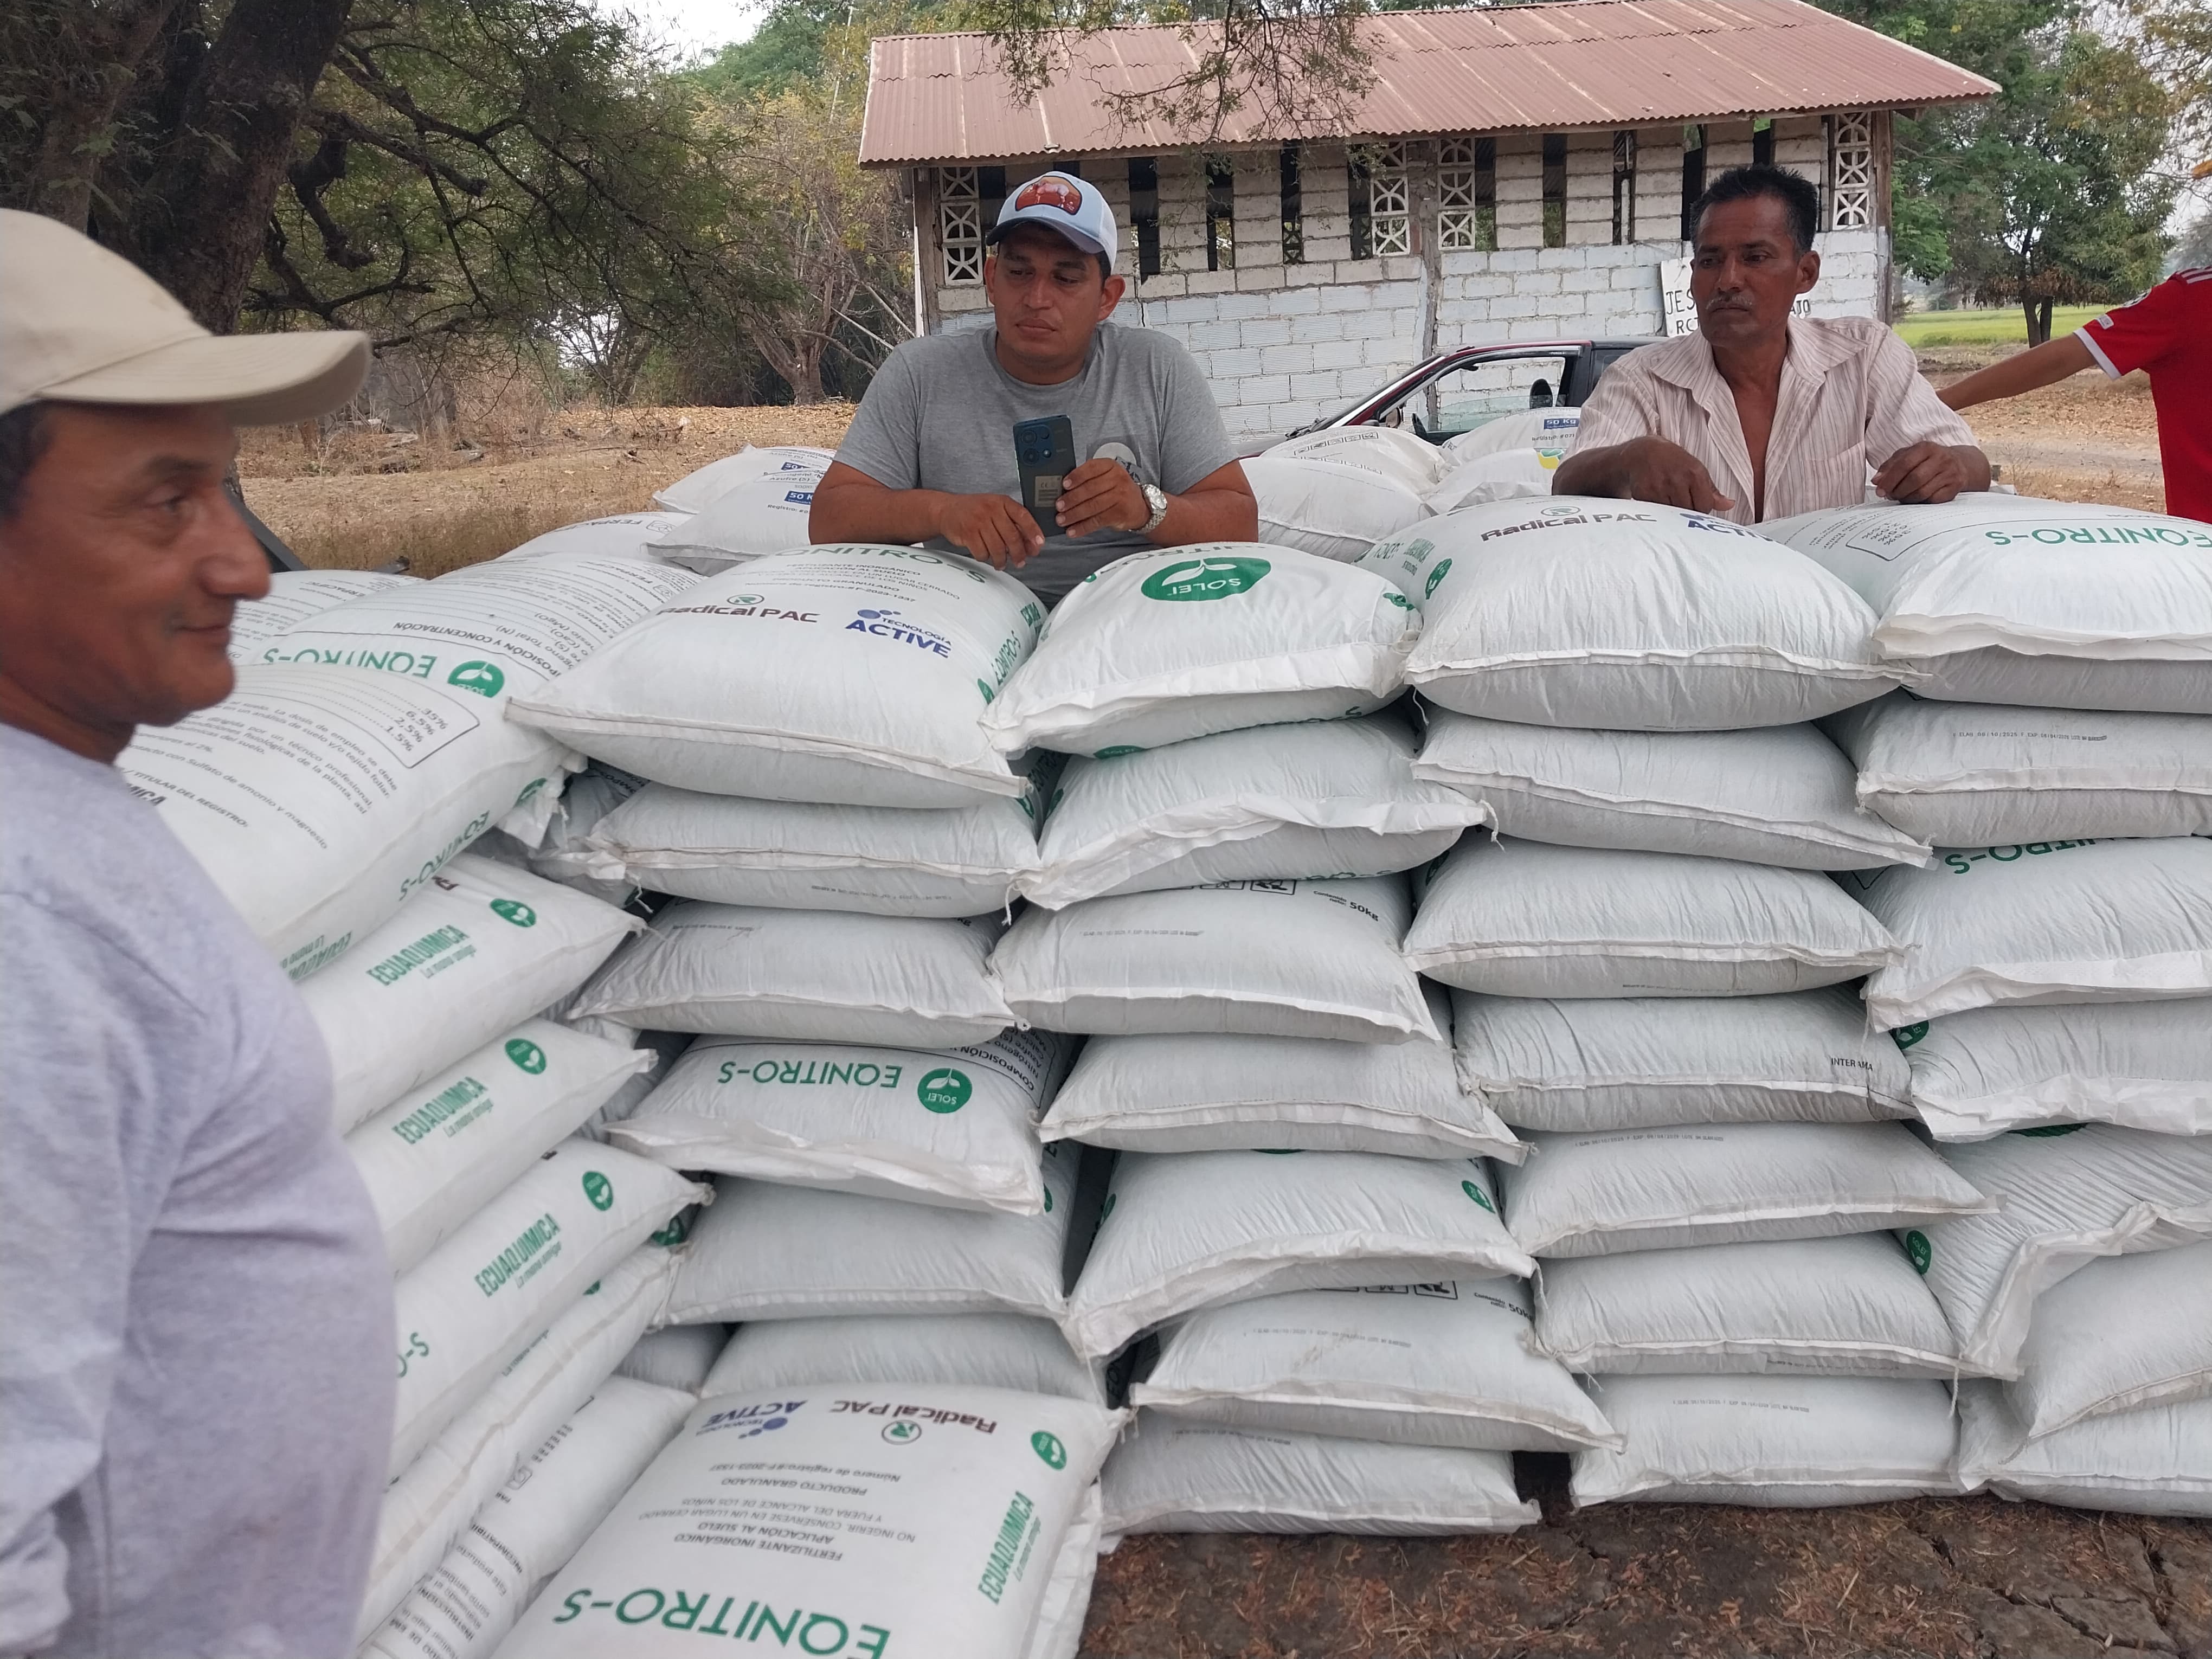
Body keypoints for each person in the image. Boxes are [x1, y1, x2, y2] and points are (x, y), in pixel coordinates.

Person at [0, 210, 394, 1658]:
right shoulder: (20, 922)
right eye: (167, 503)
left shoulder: (55, 816)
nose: (247, 567)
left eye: (227, 490)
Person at [809, 171, 1258, 602]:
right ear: (991, 279)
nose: (1037, 299)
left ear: (1107, 298)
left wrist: (1144, 509)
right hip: (974, 617)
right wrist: (942, 512)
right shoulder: (920, 374)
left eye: (1066, 278)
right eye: (1019, 273)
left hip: (1124, 611)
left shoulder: (1157, 368)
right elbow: (830, 518)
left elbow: (1240, 521)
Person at [1554, 164, 1990, 522]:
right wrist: (1629, 459)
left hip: (1829, 593)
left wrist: (1947, 467)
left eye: (1755, 258)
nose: (1727, 280)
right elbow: (1567, 482)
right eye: (1710, 261)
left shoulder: (1865, 355)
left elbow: (1972, 463)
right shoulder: (1642, 377)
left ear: (1806, 273)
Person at [1937, 267, 2210, 523]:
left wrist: (1933, 404)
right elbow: (2067, 356)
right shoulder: (2193, 298)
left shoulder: (2190, 297)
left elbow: (2064, 358)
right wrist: (1933, 404)